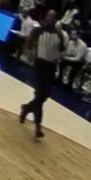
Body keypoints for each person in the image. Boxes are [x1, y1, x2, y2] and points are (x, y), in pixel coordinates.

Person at [19, 10, 65, 140]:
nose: (51, 19)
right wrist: (31, 54)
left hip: (51, 67)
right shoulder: (38, 31)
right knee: (39, 95)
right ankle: (38, 127)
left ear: (56, 19)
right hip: (40, 65)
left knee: (45, 96)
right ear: (46, 17)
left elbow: (62, 49)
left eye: (54, 17)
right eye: (50, 16)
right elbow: (28, 43)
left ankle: (27, 108)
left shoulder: (59, 34)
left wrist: (57, 57)